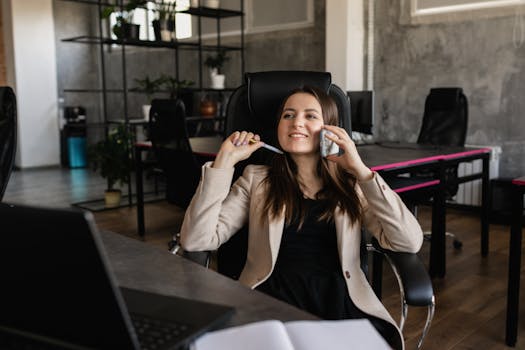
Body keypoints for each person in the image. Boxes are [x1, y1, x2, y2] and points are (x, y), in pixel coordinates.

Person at [180, 86, 423, 350]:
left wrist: (362, 173)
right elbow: (196, 240)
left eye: (310, 116)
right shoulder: (256, 179)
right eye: (288, 115)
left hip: (339, 300)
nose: (297, 122)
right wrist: (223, 164)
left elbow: (408, 242)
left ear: (331, 129)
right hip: (269, 298)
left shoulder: (351, 186)